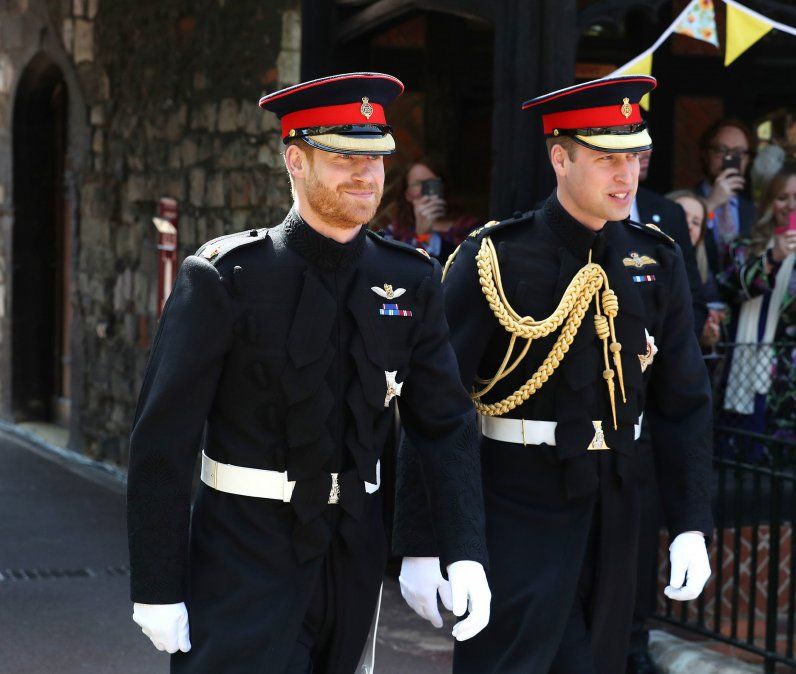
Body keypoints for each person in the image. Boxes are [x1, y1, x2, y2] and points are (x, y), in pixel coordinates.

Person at [126, 72, 491, 674]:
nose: (366, 175)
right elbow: (163, 439)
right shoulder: (226, 276)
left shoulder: (410, 277)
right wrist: (157, 584)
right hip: (242, 553)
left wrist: (457, 547)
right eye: (345, 157)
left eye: (375, 158)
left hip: (352, 553)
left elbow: (444, 424)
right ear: (296, 160)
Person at [393, 75, 714, 674]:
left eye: (635, 157)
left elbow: (683, 402)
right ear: (560, 158)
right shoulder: (495, 257)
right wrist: (423, 540)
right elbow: (435, 406)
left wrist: (691, 522)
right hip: (517, 507)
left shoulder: (656, 258)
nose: (627, 176)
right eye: (606, 159)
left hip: (619, 509)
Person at [716, 163, 796, 445]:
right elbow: (735, 289)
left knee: (783, 466)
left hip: (788, 379)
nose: (791, 205)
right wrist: (773, 256)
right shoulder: (743, 246)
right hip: (739, 369)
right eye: (782, 197)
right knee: (739, 460)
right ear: (769, 203)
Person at [632, 149, 708, 330]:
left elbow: (692, 295)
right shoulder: (581, 208)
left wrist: (677, 352)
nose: (647, 151)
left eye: (648, 144)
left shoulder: (669, 212)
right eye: (635, 143)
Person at [383, 157, 479, 264]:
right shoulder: (396, 232)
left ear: (442, 187)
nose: (424, 190)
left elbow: (468, 266)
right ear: (407, 195)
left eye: (431, 183)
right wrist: (423, 236)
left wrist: (429, 238)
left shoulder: (468, 226)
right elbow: (393, 268)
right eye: (418, 184)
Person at [695, 118, 758, 277]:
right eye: (721, 150)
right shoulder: (684, 201)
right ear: (705, 154)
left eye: (738, 153)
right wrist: (711, 203)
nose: (728, 159)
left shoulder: (753, 212)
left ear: (747, 160)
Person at [669, 189, 723, 350]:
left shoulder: (701, 276)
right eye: (682, 217)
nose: (688, 226)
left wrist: (703, 333)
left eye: (696, 222)